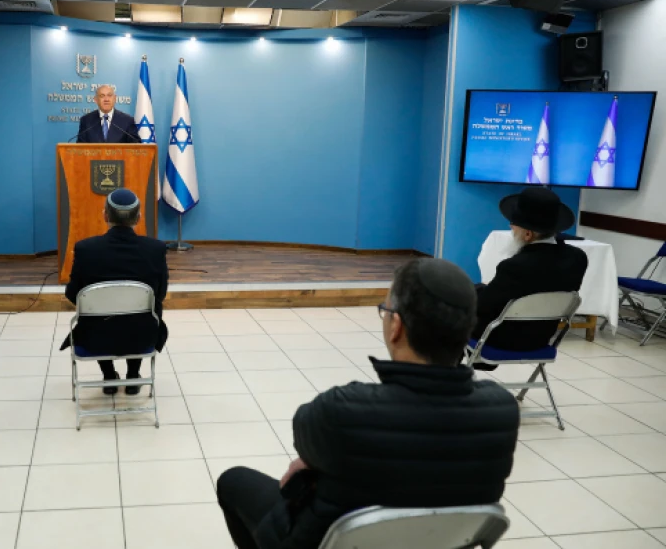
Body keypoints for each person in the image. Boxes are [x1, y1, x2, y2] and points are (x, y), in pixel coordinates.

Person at [216, 259, 520, 549]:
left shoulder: (342, 409)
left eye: (384, 310)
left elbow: (304, 443)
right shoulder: (503, 410)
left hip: (321, 539)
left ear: (395, 327)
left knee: (233, 481)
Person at [59, 188, 168, 395]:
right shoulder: (155, 249)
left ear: (105, 215)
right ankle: (133, 376)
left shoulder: (85, 249)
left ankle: (109, 375)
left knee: (98, 318)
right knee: (140, 317)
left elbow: (72, 294)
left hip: (94, 337)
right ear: (139, 216)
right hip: (143, 336)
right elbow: (159, 294)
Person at [473, 187, 588, 368]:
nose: (511, 226)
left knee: (442, 315)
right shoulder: (578, 258)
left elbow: (484, 307)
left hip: (502, 339)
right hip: (541, 339)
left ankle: (445, 381)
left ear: (528, 234)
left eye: (513, 224)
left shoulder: (515, 266)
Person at [75, 84, 140, 143]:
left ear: (114, 98)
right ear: (96, 100)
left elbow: (136, 146)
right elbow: (80, 148)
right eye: (102, 96)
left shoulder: (127, 121)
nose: (106, 99)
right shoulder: (86, 120)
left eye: (109, 95)